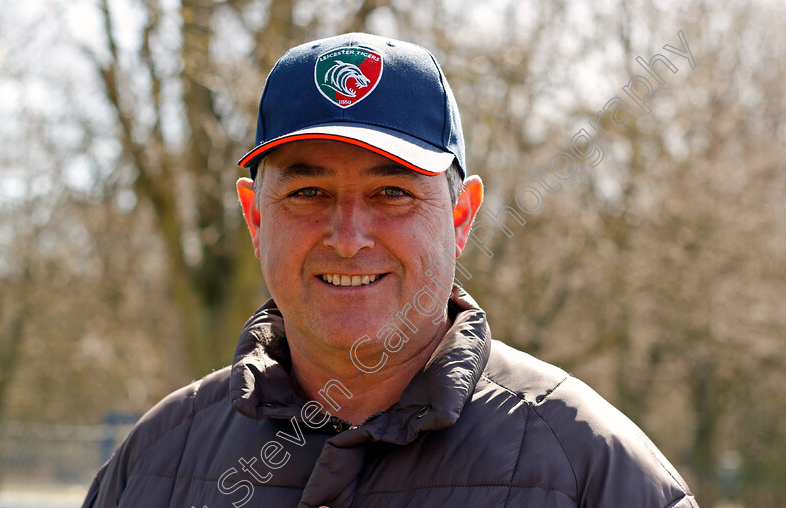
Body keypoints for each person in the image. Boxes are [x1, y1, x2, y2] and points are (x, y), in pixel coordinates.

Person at [83, 32, 697, 508]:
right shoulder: (153, 464)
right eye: (308, 193)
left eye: (393, 194)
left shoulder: (592, 471)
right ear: (254, 217)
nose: (349, 239)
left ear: (461, 217)